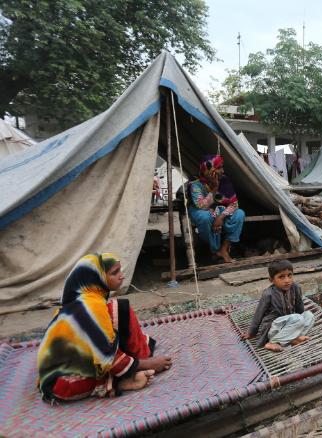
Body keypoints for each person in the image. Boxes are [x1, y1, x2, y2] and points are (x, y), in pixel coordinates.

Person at [37, 253, 173, 401]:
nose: (121, 276)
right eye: (114, 273)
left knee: (118, 309)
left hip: (74, 361)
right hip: (59, 382)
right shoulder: (92, 306)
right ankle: (120, 381)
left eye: (120, 270)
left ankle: (128, 370)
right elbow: (107, 360)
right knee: (101, 366)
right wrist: (148, 364)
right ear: (97, 277)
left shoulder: (87, 298)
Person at [242, 260, 315, 352]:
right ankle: (273, 342)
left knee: (309, 315)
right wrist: (251, 332)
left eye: (290, 275)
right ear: (271, 280)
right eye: (281, 277)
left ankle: (295, 338)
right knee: (298, 318)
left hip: (290, 324)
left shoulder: (295, 288)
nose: (287, 280)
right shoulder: (268, 294)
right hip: (274, 328)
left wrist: (300, 321)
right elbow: (258, 314)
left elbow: (300, 308)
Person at [188, 154, 245, 263]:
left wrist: (220, 217)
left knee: (239, 214)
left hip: (219, 210)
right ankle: (215, 250)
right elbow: (202, 206)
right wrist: (214, 189)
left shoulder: (224, 181)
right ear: (208, 169)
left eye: (222, 167)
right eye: (219, 168)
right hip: (199, 210)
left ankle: (224, 249)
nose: (222, 171)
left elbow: (234, 204)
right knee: (205, 217)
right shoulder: (195, 184)